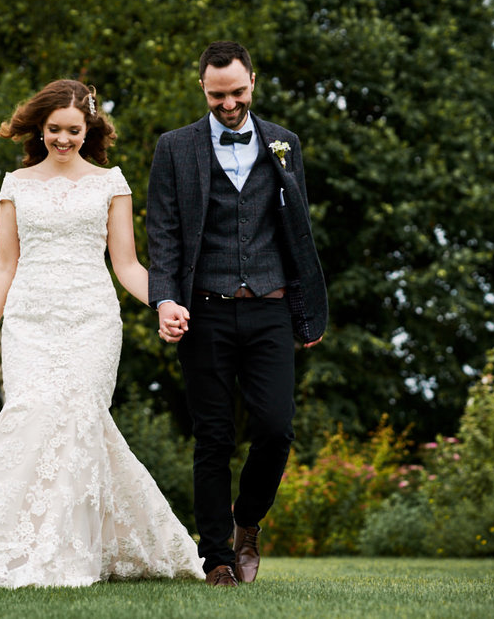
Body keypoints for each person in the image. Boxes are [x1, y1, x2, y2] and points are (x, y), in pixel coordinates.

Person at [0, 80, 204, 587]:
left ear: (88, 128)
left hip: (92, 319)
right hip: (30, 322)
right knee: (31, 419)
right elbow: (5, 265)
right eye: (54, 129)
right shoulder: (16, 184)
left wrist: (164, 302)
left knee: (77, 418)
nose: (63, 139)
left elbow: (127, 264)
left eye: (73, 130)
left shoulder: (111, 183)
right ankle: (16, 545)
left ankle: (72, 553)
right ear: (40, 127)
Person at [146, 41, 328, 587]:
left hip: (270, 309)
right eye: (217, 94)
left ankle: (247, 521)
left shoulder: (284, 145)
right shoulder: (174, 148)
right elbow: (164, 235)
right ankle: (218, 558)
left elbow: (297, 233)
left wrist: (308, 312)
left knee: (275, 429)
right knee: (214, 437)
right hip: (204, 311)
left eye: (238, 93)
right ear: (202, 87)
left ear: (253, 79)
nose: (229, 104)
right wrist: (165, 300)